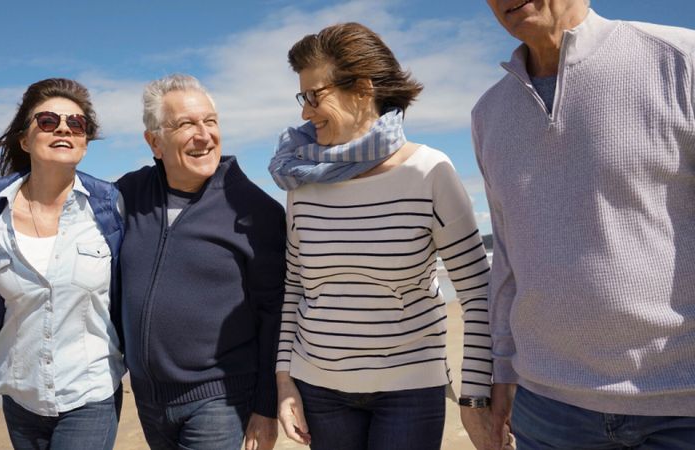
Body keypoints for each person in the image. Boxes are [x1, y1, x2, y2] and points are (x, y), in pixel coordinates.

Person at [474, 1, 695, 449]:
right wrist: (500, 370)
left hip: (680, 406)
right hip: (547, 409)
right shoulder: (488, 113)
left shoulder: (680, 60)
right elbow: (508, 262)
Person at [269, 23, 499, 450]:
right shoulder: (302, 180)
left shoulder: (430, 172)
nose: (304, 113)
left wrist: (475, 397)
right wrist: (284, 382)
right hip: (318, 389)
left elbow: (478, 295)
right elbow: (296, 288)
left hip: (411, 391)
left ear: (361, 89)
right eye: (302, 98)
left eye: (313, 96)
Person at [0, 78, 125, 450]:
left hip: (91, 393)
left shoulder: (111, 206)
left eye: (76, 124)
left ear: (84, 140)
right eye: (47, 121)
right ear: (25, 139)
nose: (63, 128)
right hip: (20, 394)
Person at [116, 74, 285, 450]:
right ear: (154, 141)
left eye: (210, 121)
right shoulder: (129, 194)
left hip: (220, 400)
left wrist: (266, 406)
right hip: (147, 397)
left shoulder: (255, 211)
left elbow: (275, 314)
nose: (204, 135)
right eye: (186, 124)